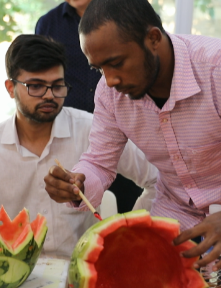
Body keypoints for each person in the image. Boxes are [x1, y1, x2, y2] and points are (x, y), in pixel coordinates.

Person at [43, 0, 221, 286]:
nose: (110, 80)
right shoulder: (110, 94)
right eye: (99, 69)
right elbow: (98, 162)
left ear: (153, 38)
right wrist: (78, 184)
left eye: (116, 63)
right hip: (170, 241)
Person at [0, 34, 158, 257]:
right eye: (36, 86)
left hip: (83, 271)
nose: (50, 96)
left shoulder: (92, 129)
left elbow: (159, 179)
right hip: (17, 275)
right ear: (11, 88)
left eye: (58, 86)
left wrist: (130, 231)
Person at [35, 0, 146, 213]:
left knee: (127, 204)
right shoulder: (49, 24)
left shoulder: (125, 15)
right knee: (74, 201)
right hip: (71, 134)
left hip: (121, 133)